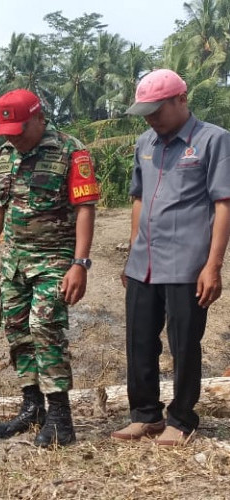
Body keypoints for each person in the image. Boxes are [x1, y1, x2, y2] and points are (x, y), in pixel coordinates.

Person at [0, 89, 99, 447]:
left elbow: (86, 208)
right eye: (7, 132)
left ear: (39, 119)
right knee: (16, 331)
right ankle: (33, 406)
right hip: (14, 262)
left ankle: (60, 418)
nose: (13, 138)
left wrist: (80, 264)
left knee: (45, 328)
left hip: (55, 259)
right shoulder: (4, 155)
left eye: (19, 130)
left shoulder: (70, 151)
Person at [111, 69, 230, 446]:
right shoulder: (146, 142)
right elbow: (139, 198)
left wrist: (213, 265)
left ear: (181, 100)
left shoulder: (213, 141)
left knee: (184, 342)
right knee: (140, 340)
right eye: (145, 112)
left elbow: (223, 203)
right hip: (144, 261)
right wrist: (132, 252)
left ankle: (181, 417)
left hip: (187, 264)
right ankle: (145, 415)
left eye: (156, 110)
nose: (150, 118)